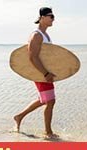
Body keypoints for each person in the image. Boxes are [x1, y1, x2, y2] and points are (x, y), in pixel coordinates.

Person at [14, 9, 58, 139]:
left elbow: (46, 56)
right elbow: (32, 57)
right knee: (50, 100)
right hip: (40, 73)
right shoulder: (36, 35)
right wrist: (45, 73)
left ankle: (19, 116)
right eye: (51, 16)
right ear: (42, 17)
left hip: (45, 72)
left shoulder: (45, 35)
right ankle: (48, 132)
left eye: (53, 16)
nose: (53, 19)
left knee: (45, 99)